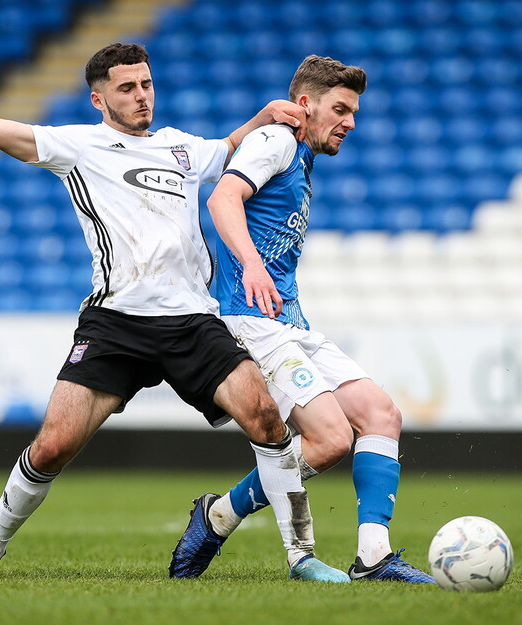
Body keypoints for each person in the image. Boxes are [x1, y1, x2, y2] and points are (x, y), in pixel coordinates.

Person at [0, 43, 350, 582]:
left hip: (191, 321)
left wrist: (263, 117)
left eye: (147, 85)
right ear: (98, 98)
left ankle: (301, 558)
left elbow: (228, 151)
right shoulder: (77, 145)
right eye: (127, 88)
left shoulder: (179, 147)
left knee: (267, 420)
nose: (141, 97)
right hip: (117, 323)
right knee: (53, 445)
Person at [168, 55, 435, 583]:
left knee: (382, 416)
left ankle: (373, 556)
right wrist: (250, 265)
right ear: (304, 105)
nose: (351, 123)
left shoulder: (302, 155)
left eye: (354, 112)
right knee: (332, 438)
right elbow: (223, 197)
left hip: (291, 322)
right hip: (251, 321)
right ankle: (230, 521)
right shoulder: (277, 142)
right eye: (341, 109)